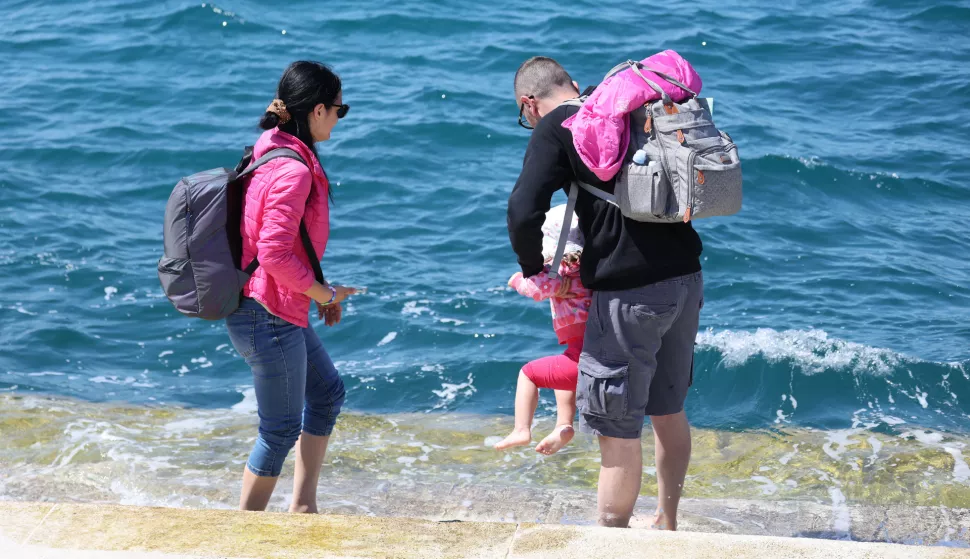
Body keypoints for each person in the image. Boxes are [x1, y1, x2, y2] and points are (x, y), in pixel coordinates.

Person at [507, 57, 704, 530]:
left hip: (628, 291)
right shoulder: (622, 107)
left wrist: (534, 270)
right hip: (686, 276)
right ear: (573, 83)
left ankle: (612, 539)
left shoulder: (556, 126)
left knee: (616, 427)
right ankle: (667, 523)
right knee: (668, 410)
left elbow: (523, 209)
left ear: (529, 104)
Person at [225, 61, 359, 513]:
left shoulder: (271, 145)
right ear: (318, 110)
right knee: (279, 429)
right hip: (266, 313)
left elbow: (282, 243)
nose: (339, 118)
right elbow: (274, 253)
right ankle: (242, 531)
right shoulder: (294, 169)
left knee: (326, 394)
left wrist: (314, 290)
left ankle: (303, 507)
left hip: (270, 304)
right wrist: (325, 294)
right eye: (340, 109)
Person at [494, 204, 591, 455]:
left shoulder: (559, 272)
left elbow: (537, 289)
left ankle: (521, 430)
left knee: (528, 374)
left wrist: (516, 280)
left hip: (586, 360)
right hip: (591, 349)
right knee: (563, 372)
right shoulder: (593, 268)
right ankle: (563, 425)